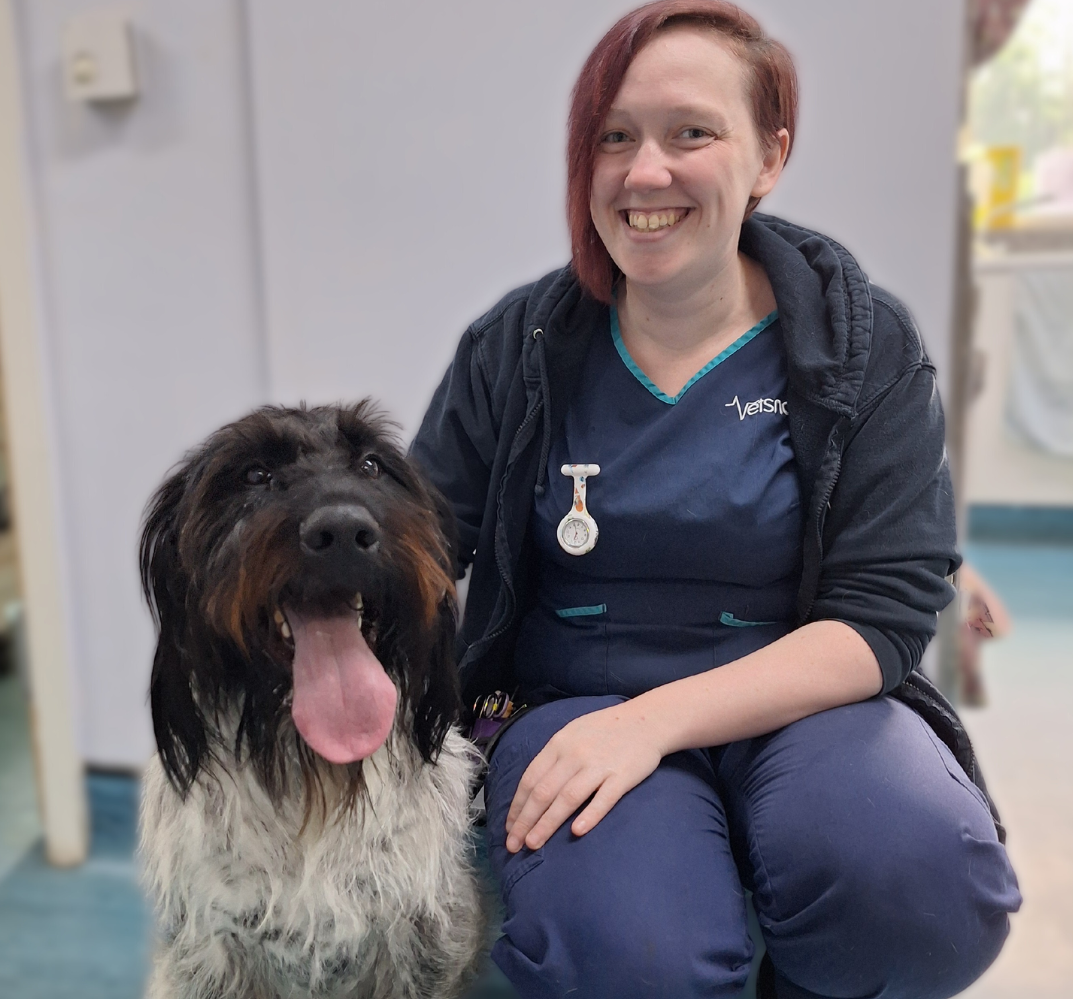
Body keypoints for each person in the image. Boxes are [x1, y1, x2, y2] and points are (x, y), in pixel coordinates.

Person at [411, 3, 1021, 996]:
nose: (643, 173)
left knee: (922, 894)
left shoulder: (858, 344)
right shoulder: (519, 346)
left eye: (688, 132)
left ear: (768, 155)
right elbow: (419, 542)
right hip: (569, 705)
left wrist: (652, 721)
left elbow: (878, 617)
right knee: (631, 958)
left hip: (805, 704)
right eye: (612, 137)